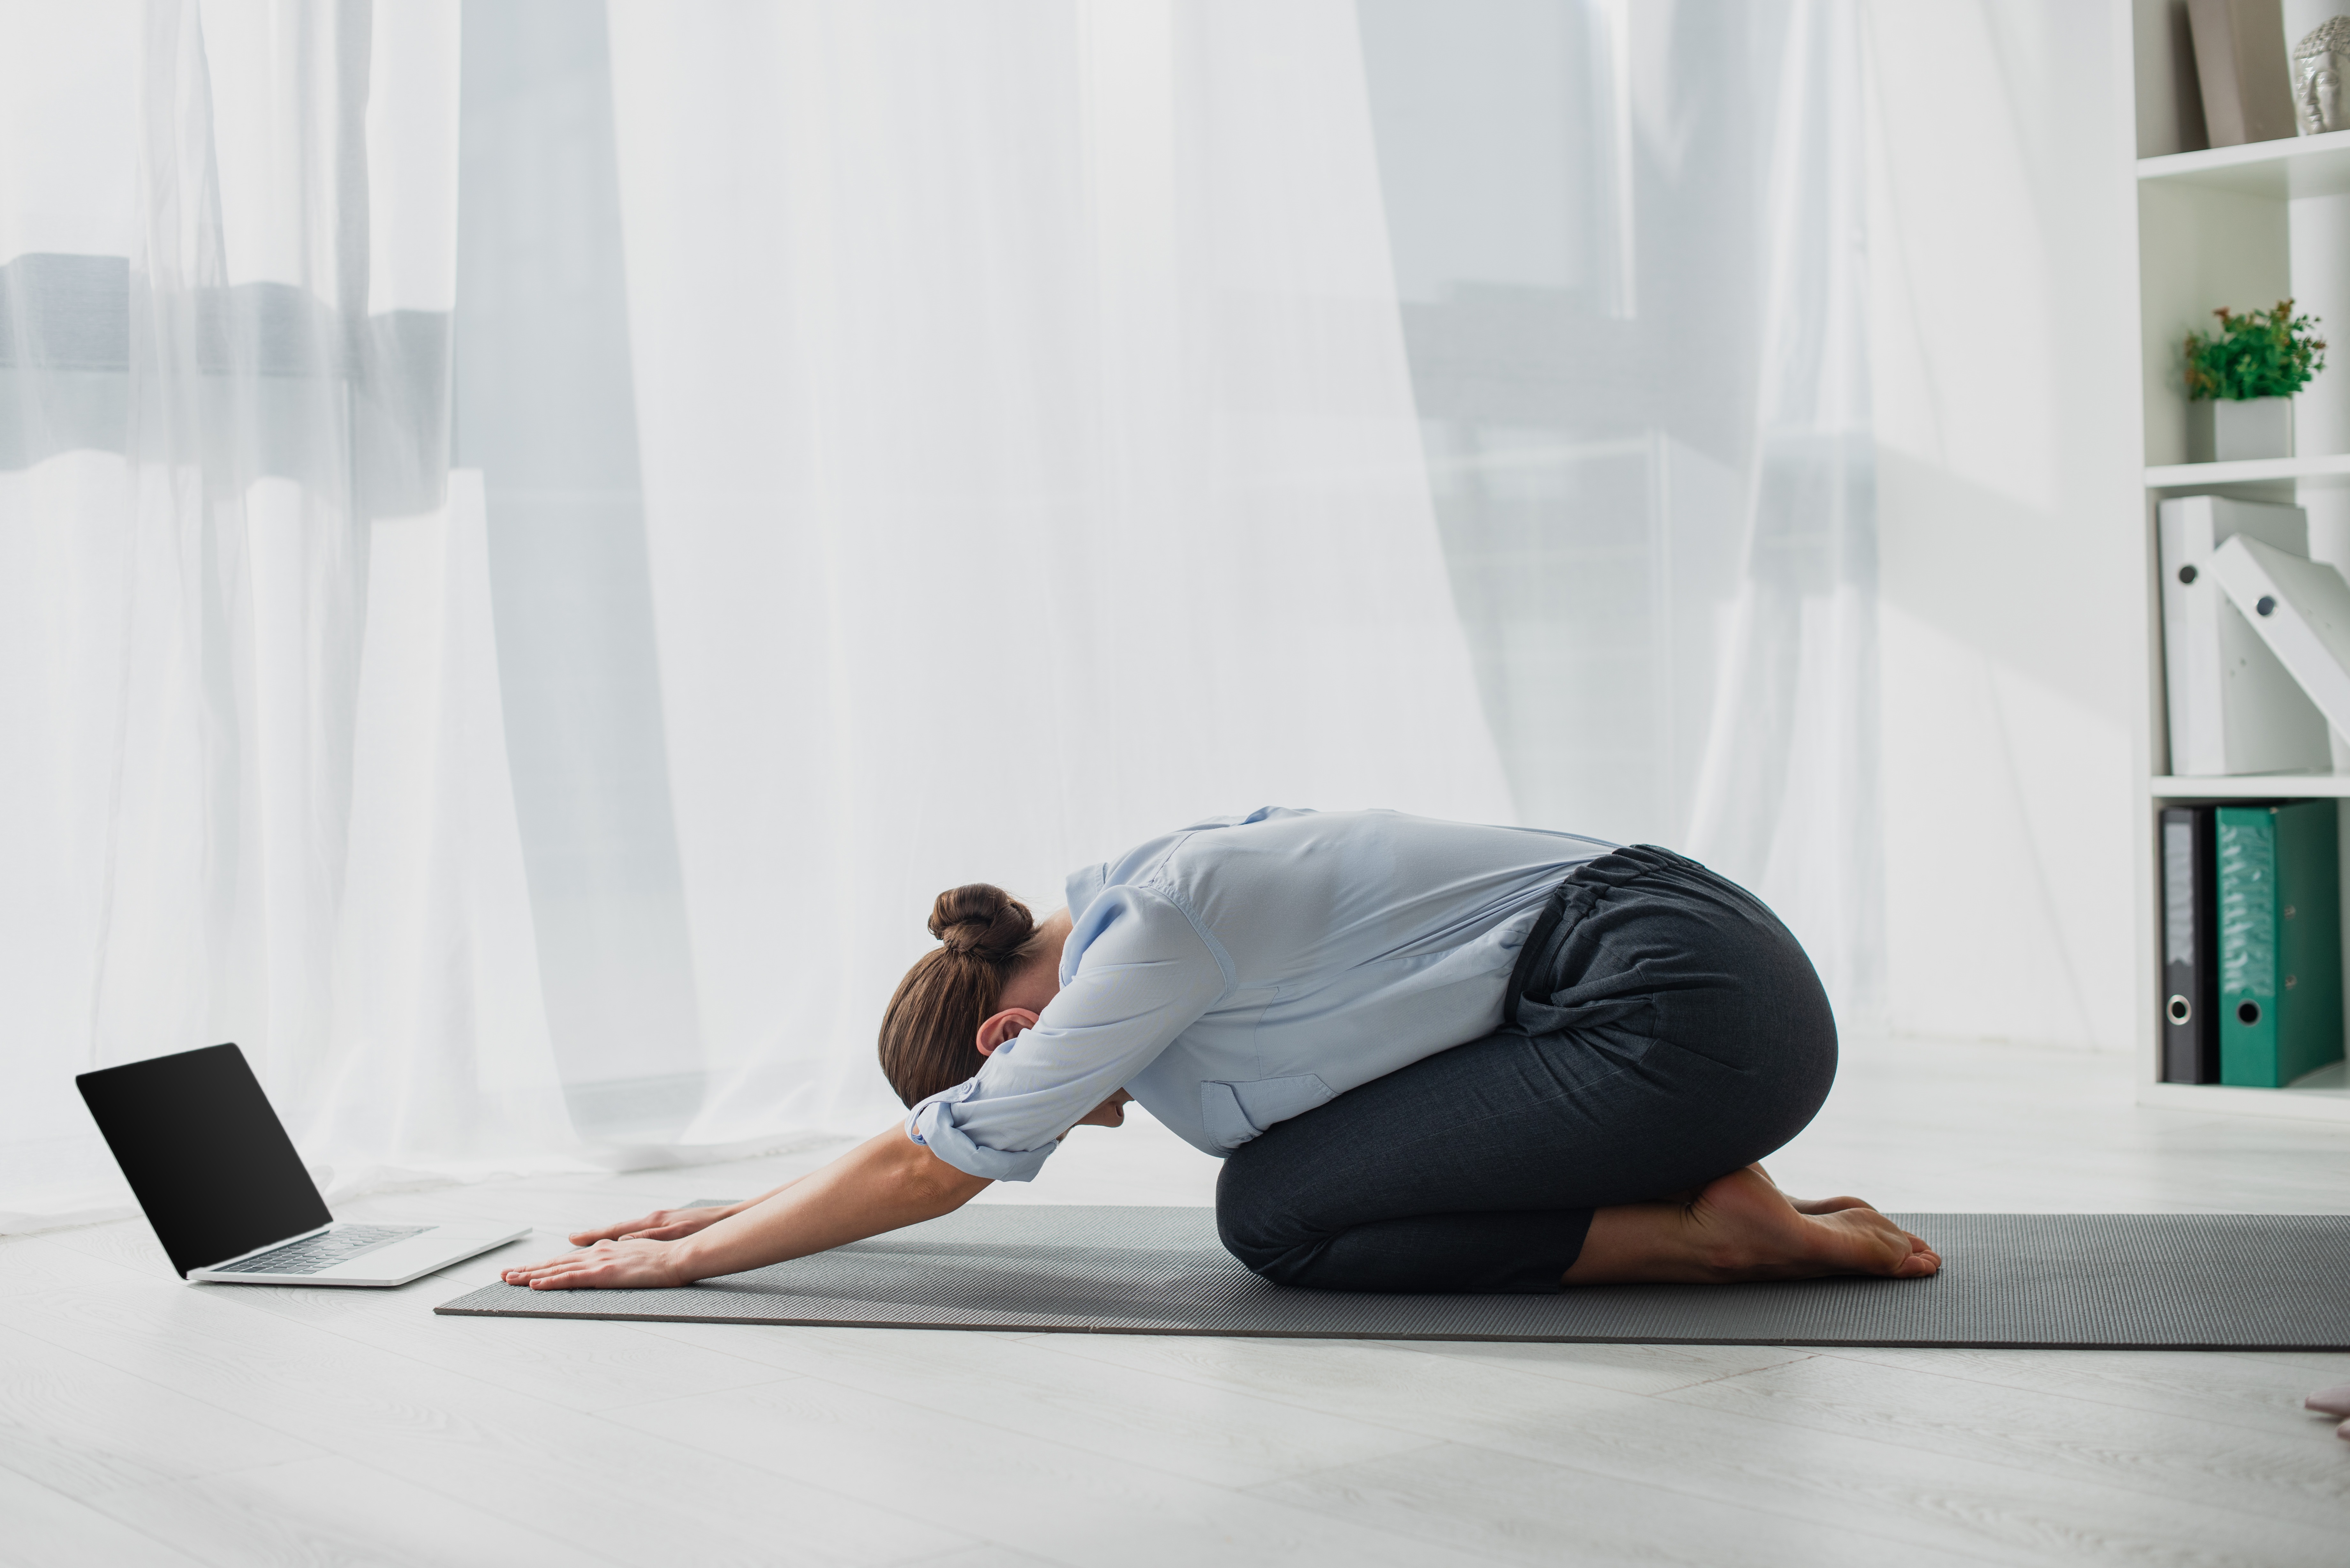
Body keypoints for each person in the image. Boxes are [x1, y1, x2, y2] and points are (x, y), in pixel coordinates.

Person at [504, 808, 1939, 1294]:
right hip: (1699, 991)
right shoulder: (1172, 887)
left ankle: (1719, 1239)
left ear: (1014, 1035)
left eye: (1053, 1102)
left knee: (1276, 1218)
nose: (1096, 1120)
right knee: (1283, 1181)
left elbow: (931, 1169)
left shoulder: (1157, 929)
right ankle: (1719, 1185)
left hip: (1676, 1008)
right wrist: (745, 1204)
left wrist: (687, 1256)